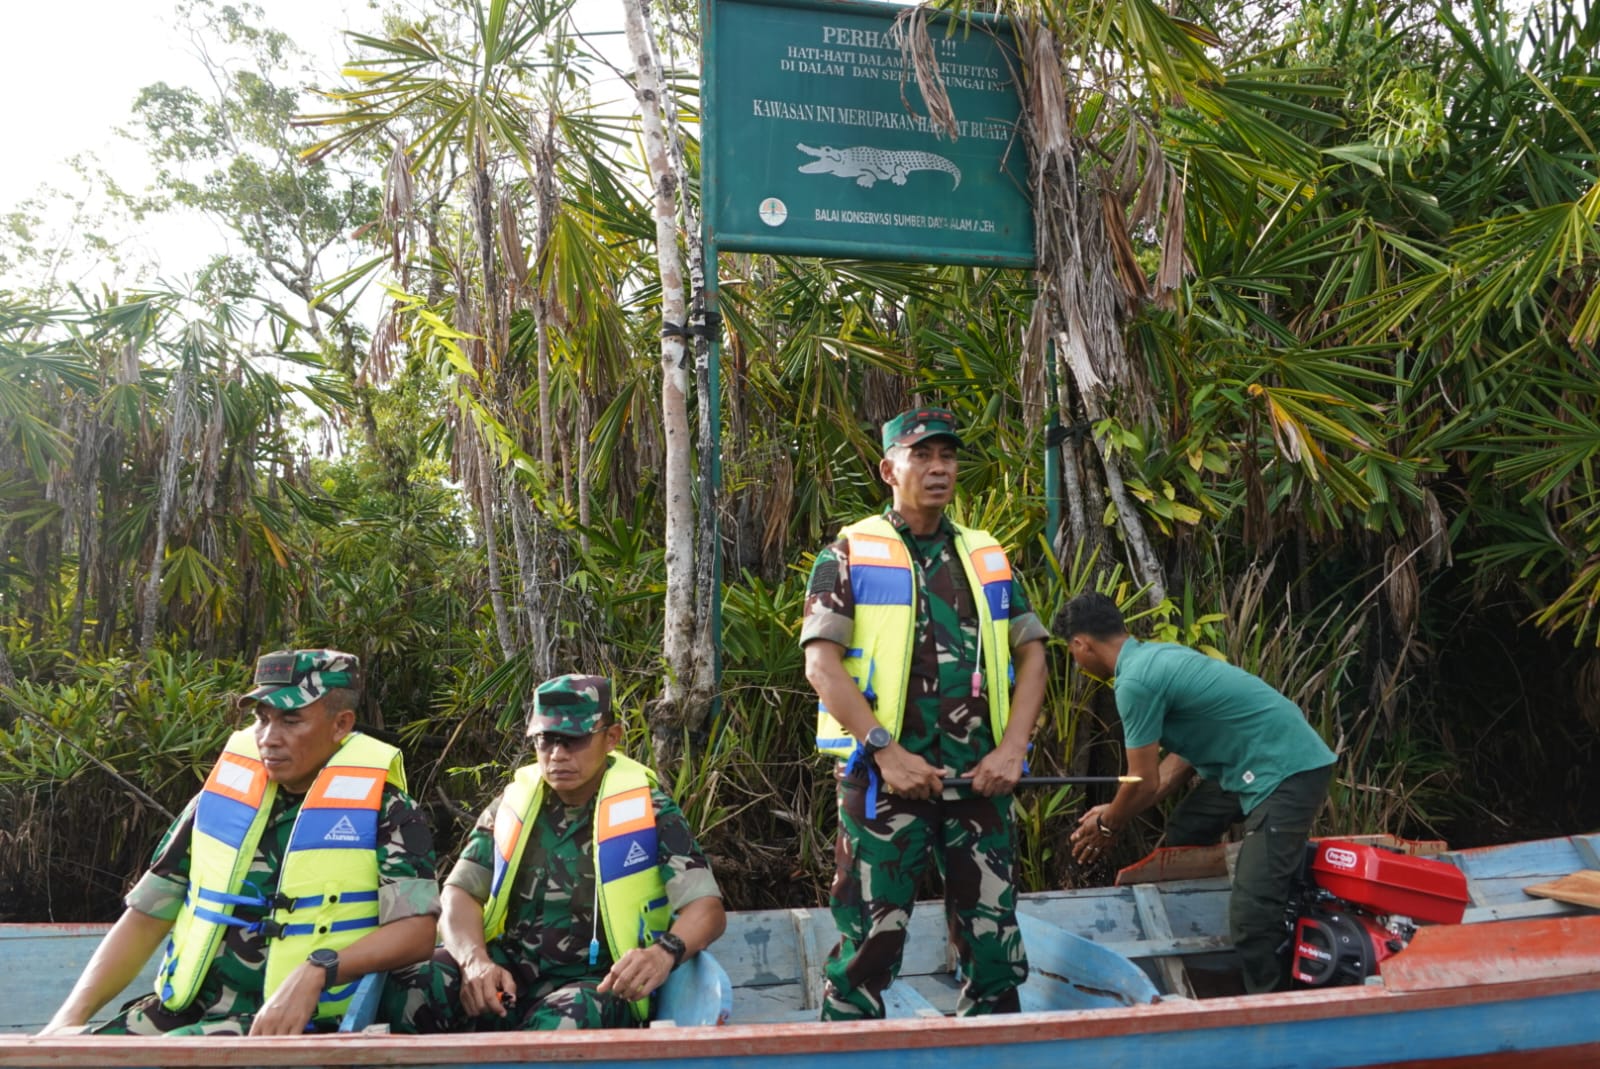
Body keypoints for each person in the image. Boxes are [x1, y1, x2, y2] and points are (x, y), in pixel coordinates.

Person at [40, 649, 440, 1036]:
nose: (269, 738)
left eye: (291, 721)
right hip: (184, 1011)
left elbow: (417, 932)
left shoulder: (387, 810)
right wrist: (65, 1021)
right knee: (70, 1055)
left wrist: (319, 969)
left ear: (341, 724)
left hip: (293, 1025)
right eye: (262, 719)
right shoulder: (220, 800)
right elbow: (148, 915)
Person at [800, 405, 1048, 1020]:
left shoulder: (986, 555)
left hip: (979, 779)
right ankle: (847, 1051)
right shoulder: (848, 553)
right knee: (869, 945)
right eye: (922, 456)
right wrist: (886, 751)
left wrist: (1012, 749)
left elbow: (1033, 654)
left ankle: (994, 1048)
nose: (939, 468)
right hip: (884, 782)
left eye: (948, 456)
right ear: (890, 469)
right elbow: (821, 667)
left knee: (994, 943)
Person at [382, 674, 726, 1032]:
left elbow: (707, 909)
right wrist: (475, 963)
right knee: (415, 982)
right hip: (508, 973)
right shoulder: (513, 806)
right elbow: (459, 892)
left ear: (612, 737)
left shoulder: (650, 812)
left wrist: (663, 952)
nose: (558, 755)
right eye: (546, 740)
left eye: (574, 740)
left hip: (594, 983)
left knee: (561, 1024)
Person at [1059, 591, 1336, 993]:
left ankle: (1271, 1005)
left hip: (1285, 768)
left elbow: (1142, 782)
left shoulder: (1134, 682)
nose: (1077, 663)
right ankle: (1199, 928)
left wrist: (1107, 824)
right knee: (1187, 829)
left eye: (1072, 653)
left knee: (1253, 919)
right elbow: (1172, 767)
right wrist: (1115, 811)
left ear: (1082, 643)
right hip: (1246, 764)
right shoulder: (1155, 656)